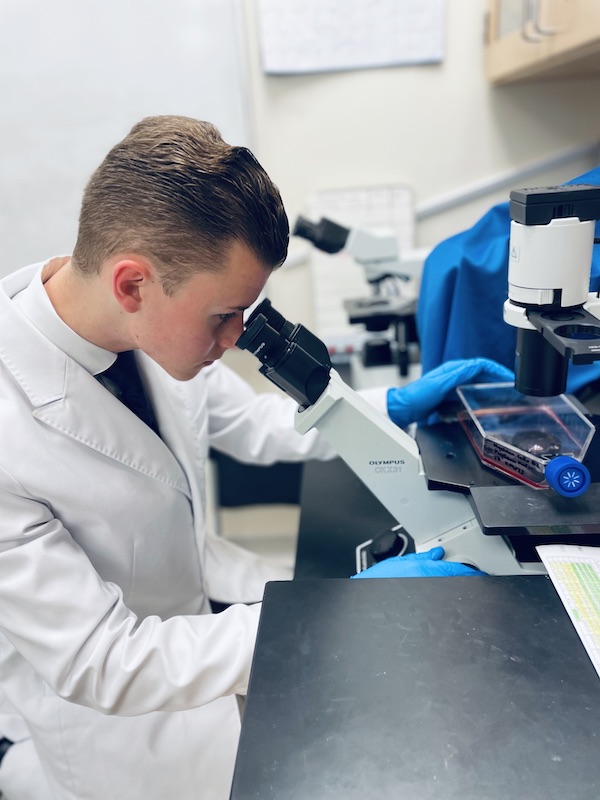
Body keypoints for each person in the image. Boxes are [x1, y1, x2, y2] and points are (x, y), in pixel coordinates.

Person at [0, 115, 510, 800]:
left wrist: (386, 408)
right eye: (223, 316)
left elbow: (261, 426)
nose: (239, 336)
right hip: (119, 729)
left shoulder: (138, 324)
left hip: (207, 617)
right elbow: (103, 661)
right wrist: (341, 611)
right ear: (132, 284)